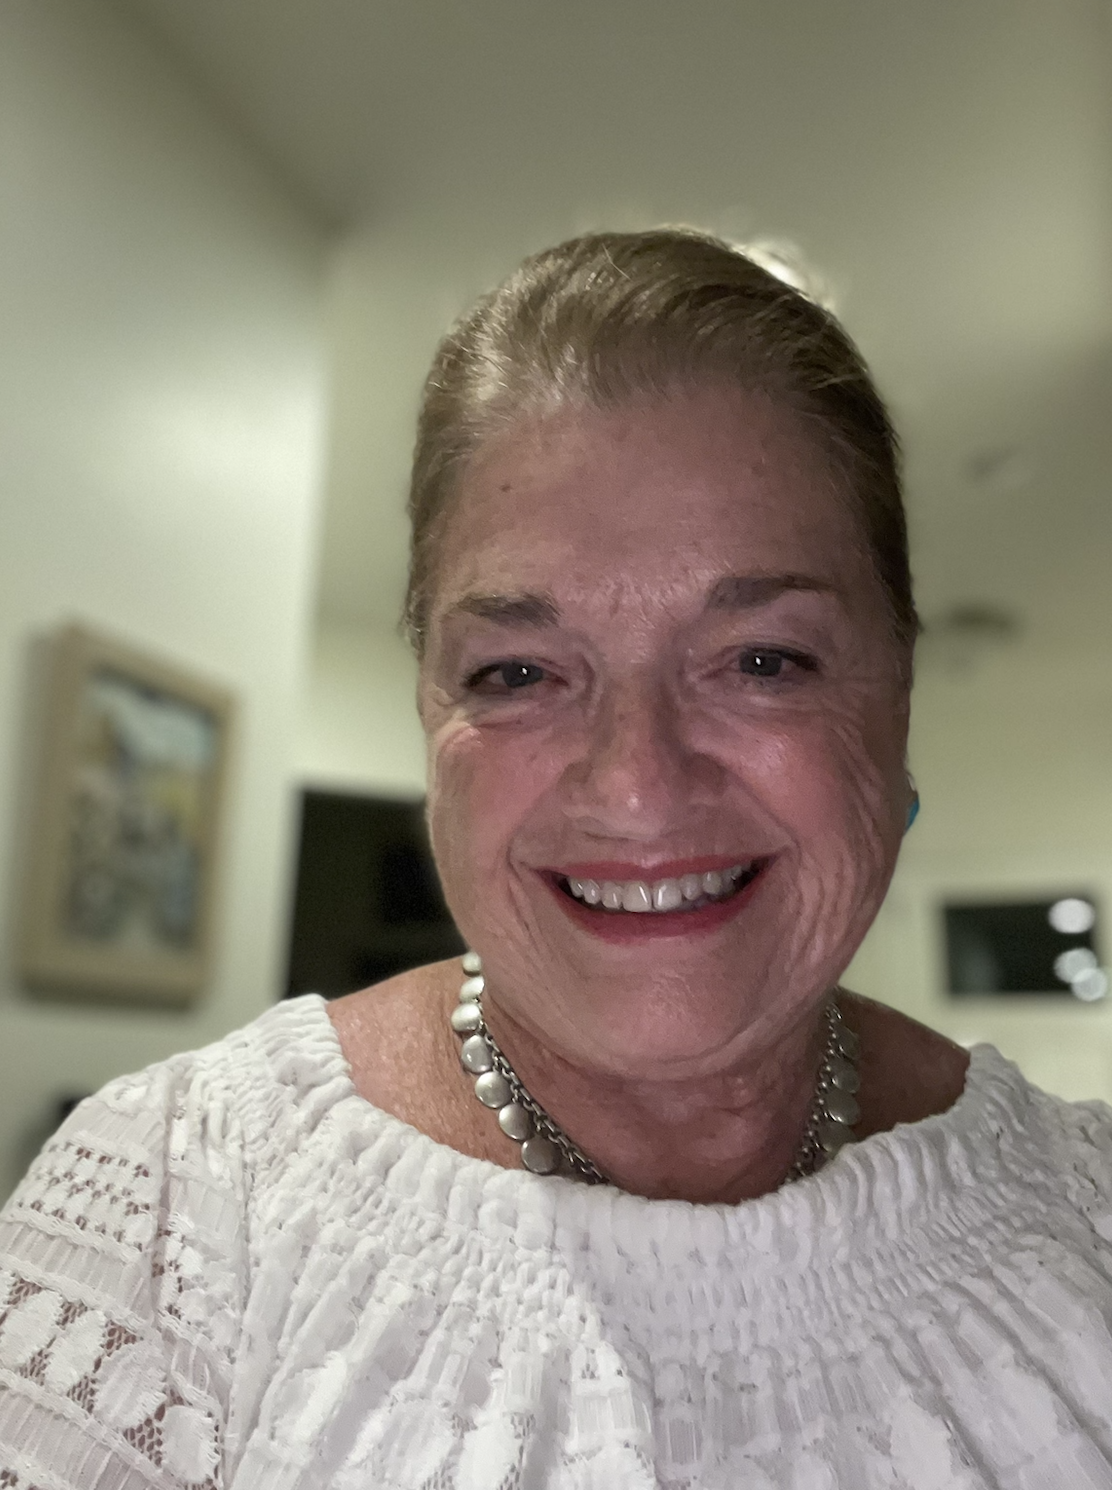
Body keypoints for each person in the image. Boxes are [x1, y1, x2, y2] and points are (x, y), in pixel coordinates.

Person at [2, 228, 1111, 1489]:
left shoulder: (1082, 1214)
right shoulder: (173, 1212)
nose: (635, 781)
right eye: (518, 672)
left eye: (761, 659)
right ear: (429, 711)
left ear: (895, 695)